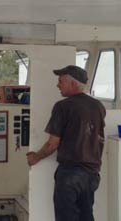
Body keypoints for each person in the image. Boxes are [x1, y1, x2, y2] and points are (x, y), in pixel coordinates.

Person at [26, 65, 105, 221]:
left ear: (74, 84)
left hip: (70, 174)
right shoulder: (99, 106)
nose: (57, 85)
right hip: (92, 174)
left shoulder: (63, 107)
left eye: (61, 81)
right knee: (86, 215)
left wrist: (36, 157)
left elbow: (52, 144)